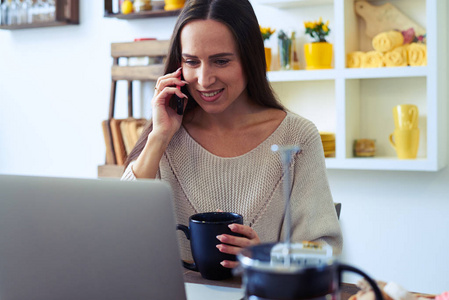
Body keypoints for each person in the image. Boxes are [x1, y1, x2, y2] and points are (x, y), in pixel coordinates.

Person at [122, 0, 343, 268]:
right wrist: (158, 137)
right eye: (192, 62)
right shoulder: (168, 132)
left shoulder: (297, 136)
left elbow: (325, 249)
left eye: (221, 61)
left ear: (250, 59)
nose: (204, 79)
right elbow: (118, 226)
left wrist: (264, 256)